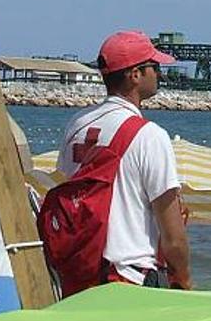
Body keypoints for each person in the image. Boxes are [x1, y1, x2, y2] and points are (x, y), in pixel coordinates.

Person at [56, 30, 192, 290]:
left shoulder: (77, 124)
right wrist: (183, 279)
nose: (159, 73)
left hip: (80, 274)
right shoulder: (150, 136)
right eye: (153, 66)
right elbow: (173, 237)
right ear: (135, 75)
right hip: (131, 277)